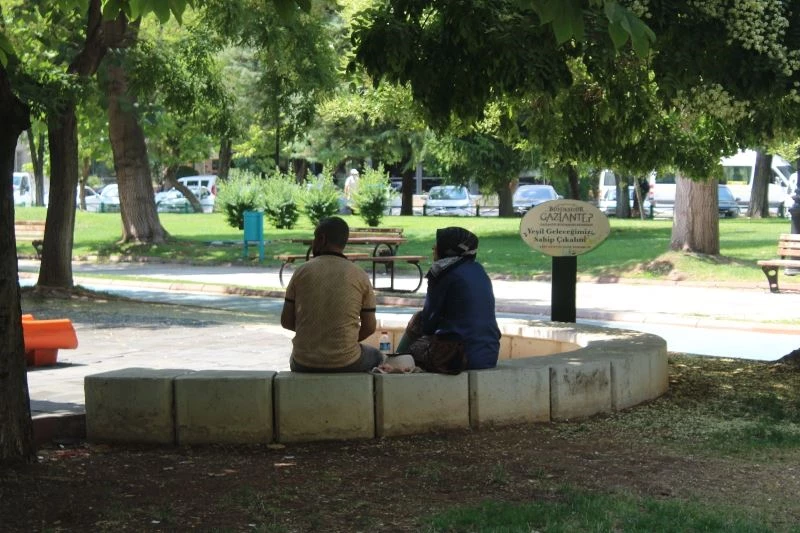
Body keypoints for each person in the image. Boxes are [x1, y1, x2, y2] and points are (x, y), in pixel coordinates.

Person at [281, 216, 385, 372]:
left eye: (315, 238)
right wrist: (344, 342)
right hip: (347, 361)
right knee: (378, 356)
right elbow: (370, 327)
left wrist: (314, 335)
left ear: (322, 239)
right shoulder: (359, 275)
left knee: (293, 357)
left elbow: (286, 321)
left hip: (304, 362)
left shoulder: (301, 271)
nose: (313, 243)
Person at [396, 227, 501, 371]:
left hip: (459, 357)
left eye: (438, 243)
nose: (434, 247)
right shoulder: (479, 270)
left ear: (448, 249)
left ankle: (394, 361)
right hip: (489, 355)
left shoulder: (443, 272)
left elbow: (428, 323)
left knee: (418, 321)